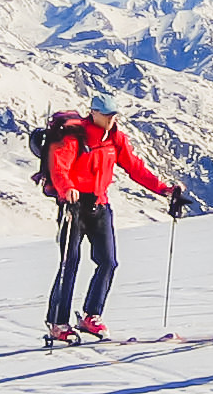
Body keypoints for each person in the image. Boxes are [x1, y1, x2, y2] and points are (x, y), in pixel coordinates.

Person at [44, 93, 193, 345]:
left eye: (114, 115)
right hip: (74, 206)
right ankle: (58, 322)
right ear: (94, 113)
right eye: (107, 115)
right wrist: (66, 188)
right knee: (70, 263)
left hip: (100, 206)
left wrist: (162, 189)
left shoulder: (115, 139)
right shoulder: (74, 137)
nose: (111, 119)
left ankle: (91, 315)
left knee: (108, 261)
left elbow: (134, 167)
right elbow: (59, 167)